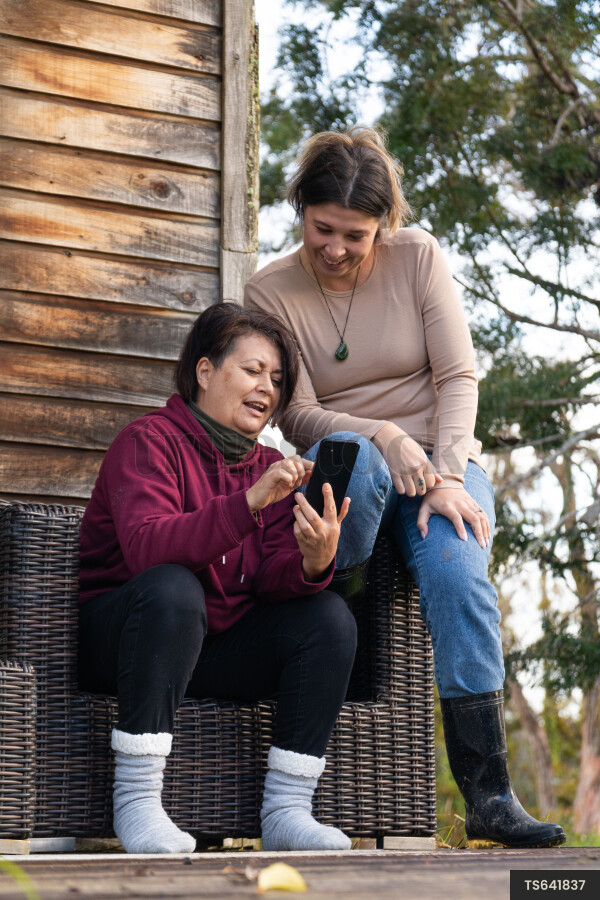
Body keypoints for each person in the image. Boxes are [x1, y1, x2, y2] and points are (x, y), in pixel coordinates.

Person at [244, 127, 565, 849]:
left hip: (438, 469)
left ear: (381, 227)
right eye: (322, 229)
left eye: (354, 235)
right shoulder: (268, 289)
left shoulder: (417, 256)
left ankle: (487, 795)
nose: (335, 248)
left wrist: (448, 476)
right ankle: (340, 605)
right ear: (300, 209)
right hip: (354, 465)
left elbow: (457, 378)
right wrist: (386, 438)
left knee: (459, 571)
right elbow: (293, 412)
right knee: (354, 452)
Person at [78, 302, 358, 854]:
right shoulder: (148, 441)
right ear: (205, 372)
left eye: (276, 379)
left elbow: (273, 580)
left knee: (329, 616)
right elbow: (148, 548)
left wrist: (313, 559)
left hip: (213, 647)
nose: (267, 388)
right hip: (131, 642)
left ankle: (286, 811)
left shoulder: (268, 466)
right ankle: (136, 803)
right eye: (252, 370)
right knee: (173, 589)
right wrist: (248, 502)